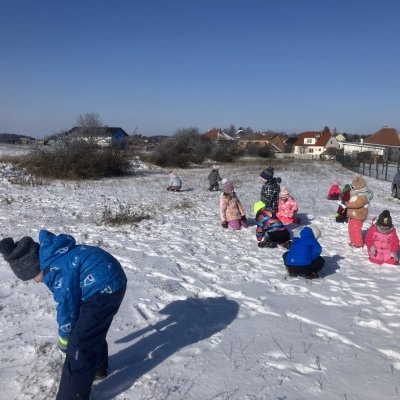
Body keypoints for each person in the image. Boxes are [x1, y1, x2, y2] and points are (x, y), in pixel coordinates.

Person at [0, 230, 127, 400]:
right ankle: (98, 368)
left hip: (104, 289)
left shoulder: (56, 270)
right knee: (89, 328)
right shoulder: (54, 256)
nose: (36, 281)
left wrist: (65, 342)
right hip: (110, 279)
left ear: (36, 266)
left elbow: (67, 309)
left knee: (79, 344)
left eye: (33, 277)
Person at [339, 175, 373, 248]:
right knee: (351, 229)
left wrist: (346, 204)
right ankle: (353, 241)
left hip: (359, 216)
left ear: (359, 187)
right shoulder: (355, 193)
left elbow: (357, 204)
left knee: (356, 229)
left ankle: (358, 243)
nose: (352, 187)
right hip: (353, 216)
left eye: (353, 186)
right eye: (352, 186)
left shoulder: (363, 196)